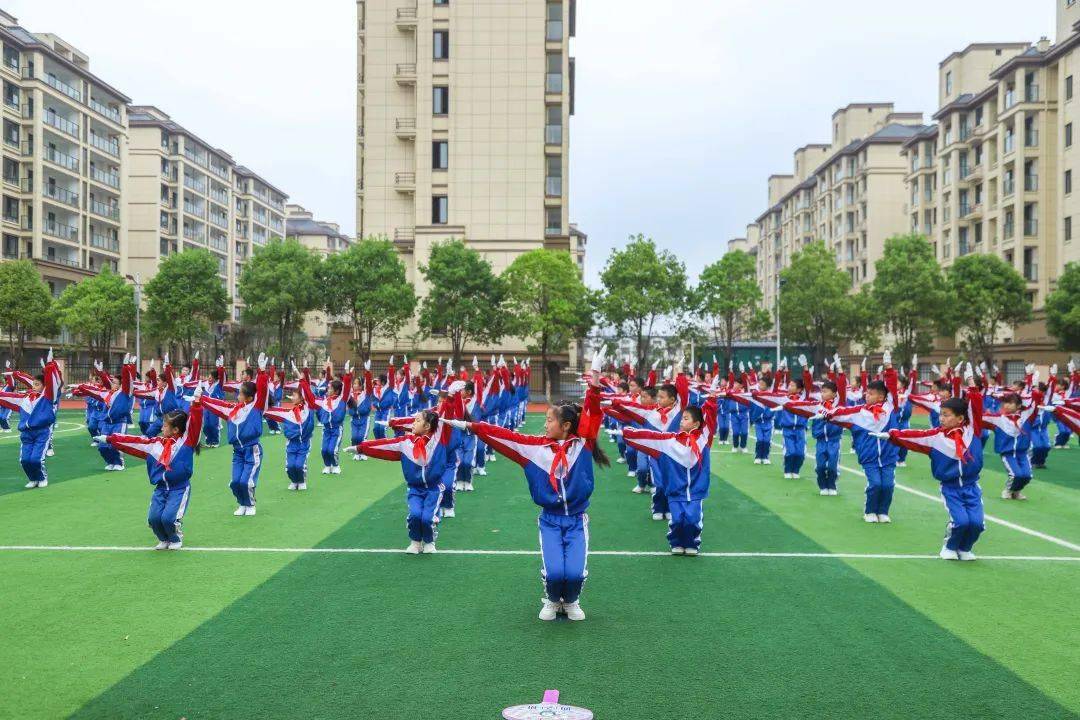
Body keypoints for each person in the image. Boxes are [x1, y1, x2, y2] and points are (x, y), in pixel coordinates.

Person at [447, 347, 610, 622]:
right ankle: (552, 600)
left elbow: (593, 411)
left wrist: (595, 377)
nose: (545, 425)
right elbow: (502, 436)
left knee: (574, 573)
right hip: (550, 520)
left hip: (576, 519)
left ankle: (571, 601)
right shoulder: (534, 449)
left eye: (550, 420)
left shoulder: (583, 443)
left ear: (566, 426)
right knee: (555, 572)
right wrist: (470, 426)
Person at [881, 367, 985, 561]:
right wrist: (891, 435)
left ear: (960, 418)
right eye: (941, 414)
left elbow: (976, 405)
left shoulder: (972, 430)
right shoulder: (936, 436)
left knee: (977, 523)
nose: (941, 418)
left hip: (972, 486)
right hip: (951, 488)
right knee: (961, 521)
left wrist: (971, 381)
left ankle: (965, 548)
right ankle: (950, 546)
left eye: (946, 415)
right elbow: (914, 436)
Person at [95, 391, 205, 549]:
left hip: (179, 488)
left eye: (165, 425)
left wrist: (197, 403)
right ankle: (163, 539)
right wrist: (110, 439)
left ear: (175, 430)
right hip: (160, 488)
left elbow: (195, 423)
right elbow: (133, 442)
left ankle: (175, 538)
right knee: (154, 518)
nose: (162, 427)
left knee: (168, 518)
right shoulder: (155, 444)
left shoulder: (186, 442)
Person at [347, 402, 458, 554]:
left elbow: (445, 417)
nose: (413, 423)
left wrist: (449, 398)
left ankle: (429, 541)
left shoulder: (439, 440)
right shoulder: (405, 443)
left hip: (434, 489)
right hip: (415, 489)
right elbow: (383, 445)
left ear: (427, 426)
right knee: (415, 515)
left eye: (417, 420)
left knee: (427, 518)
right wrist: (360, 448)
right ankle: (415, 542)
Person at [623, 388, 718, 555]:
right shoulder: (670, 440)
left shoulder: (704, 439)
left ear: (696, 424)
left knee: (692, 519)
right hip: (675, 490)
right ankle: (676, 542)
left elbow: (710, 419)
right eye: (682, 418)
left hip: (696, 491)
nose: (681, 421)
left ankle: (692, 544)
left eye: (686, 419)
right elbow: (650, 437)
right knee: (677, 519)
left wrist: (711, 400)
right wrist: (626, 433)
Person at [824, 352, 901, 523]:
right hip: (869, 456)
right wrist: (826, 413)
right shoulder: (859, 411)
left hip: (888, 456)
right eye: (866, 393)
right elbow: (840, 412)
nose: (866, 395)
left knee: (888, 485)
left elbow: (891, 386)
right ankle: (870, 511)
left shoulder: (890, 407)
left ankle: (883, 512)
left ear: (881, 396)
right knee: (875, 484)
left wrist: (889, 368)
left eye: (871, 394)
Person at [199, 353, 270, 516]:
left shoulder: (256, 408)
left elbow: (262, 390)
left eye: (241, 394)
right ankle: (242, 503)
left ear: (249, 397)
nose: (238, 396)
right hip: (237, 451)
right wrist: (200, 398)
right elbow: (216, 404)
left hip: (252, 450)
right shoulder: (233, 410)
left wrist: (261, 372)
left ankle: (250, 504)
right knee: (235, 482)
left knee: (246, 481)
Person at [0, 349, 61, 488]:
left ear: (44, 387)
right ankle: (33, 479)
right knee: (25, 460)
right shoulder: (25, 398)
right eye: (33, 384)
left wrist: (50, 365)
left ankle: (42, 478)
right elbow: (7, 397)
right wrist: (15, 374)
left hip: (42, 432)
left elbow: (53, 382)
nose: (33, 386)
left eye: (37, 384)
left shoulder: (48, 398)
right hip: (26, 433)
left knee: (36, 460)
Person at [785, 356, 847, 496]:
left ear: (834, 394)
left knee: (832, 466)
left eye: (825, 392)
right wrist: (805, 368)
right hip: (820, 441)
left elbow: (842, 386)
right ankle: (823, 486)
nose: (822, 394)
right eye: (821, 391)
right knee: (820, 467)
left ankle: (832, 485)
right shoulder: (816, 405)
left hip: (834, 441)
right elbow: (807, 386)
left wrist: (839, 369)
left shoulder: (840, 404)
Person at [72, 355, 137, 472]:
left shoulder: (125, 392)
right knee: (102, 446)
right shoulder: (107, 393)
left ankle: (119, 463)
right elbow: (94, 390)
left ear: (121, 385)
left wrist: (127, 366)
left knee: (115, 445)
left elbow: (128, 380)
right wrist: (80, 386)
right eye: (112, 382)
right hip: (106, 423)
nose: (112, 384)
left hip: (119, 423)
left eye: (115, 383)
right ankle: (110, 462)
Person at [264, 364, 318, 491]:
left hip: (304, 443)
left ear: (301, 398)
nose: (292, 397)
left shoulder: (308, 409)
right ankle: (294, 481)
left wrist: (301, 376)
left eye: (295, 395)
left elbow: (308, 393)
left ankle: (301, 481)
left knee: (299, 465)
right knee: (290, 466)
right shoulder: (289, 413)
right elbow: (270, 411)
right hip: (291, 443)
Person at [982, 391, 1037, 500]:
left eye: (1010, 403)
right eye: (1005, 402)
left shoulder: (1026, 416)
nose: (1006, 405)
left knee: (1027, 475)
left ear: (1019, 405)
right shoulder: (998, 418)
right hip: (1007, 453)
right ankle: (1008, 490)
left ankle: (1016, 491)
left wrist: (1036, 389)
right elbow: (978, 419)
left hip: (1023, 452)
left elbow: (1035, 403)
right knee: (1015, 474)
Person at [312, 360, 354, 474]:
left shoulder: (342, 400)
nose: (328, 390)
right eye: (328, 388)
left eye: (330, 388)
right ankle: (327, 465)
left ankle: (335, 465)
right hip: (326, 429)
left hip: (336, 429)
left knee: (332, 450)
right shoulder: (325, 400)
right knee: (324, 450)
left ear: (337, 390)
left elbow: (347, 388)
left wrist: (347, 373)